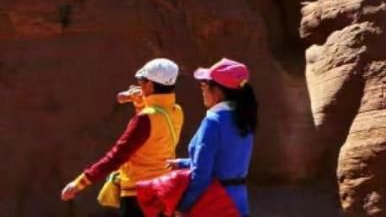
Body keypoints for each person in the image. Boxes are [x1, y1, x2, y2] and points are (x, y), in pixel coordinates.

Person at [61, 58, 185, 216]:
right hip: (163, 191)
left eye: (141, 80)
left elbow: (117, 156)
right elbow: (153, 133)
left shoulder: (145, 119)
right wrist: (140, 101)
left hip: (139, 197)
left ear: (150, 85)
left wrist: (79, 183)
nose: (138, 85)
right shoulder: (176, 112)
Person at [170, 58, 256, 217]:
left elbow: (201, 176)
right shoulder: (244, 119)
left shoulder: (213, 121)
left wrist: (182, 207)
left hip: (214, 204)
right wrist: (182, 163)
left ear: (217, 91)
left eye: (204, 86)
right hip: (239, 204)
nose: (202, 91)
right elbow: (225, 161)